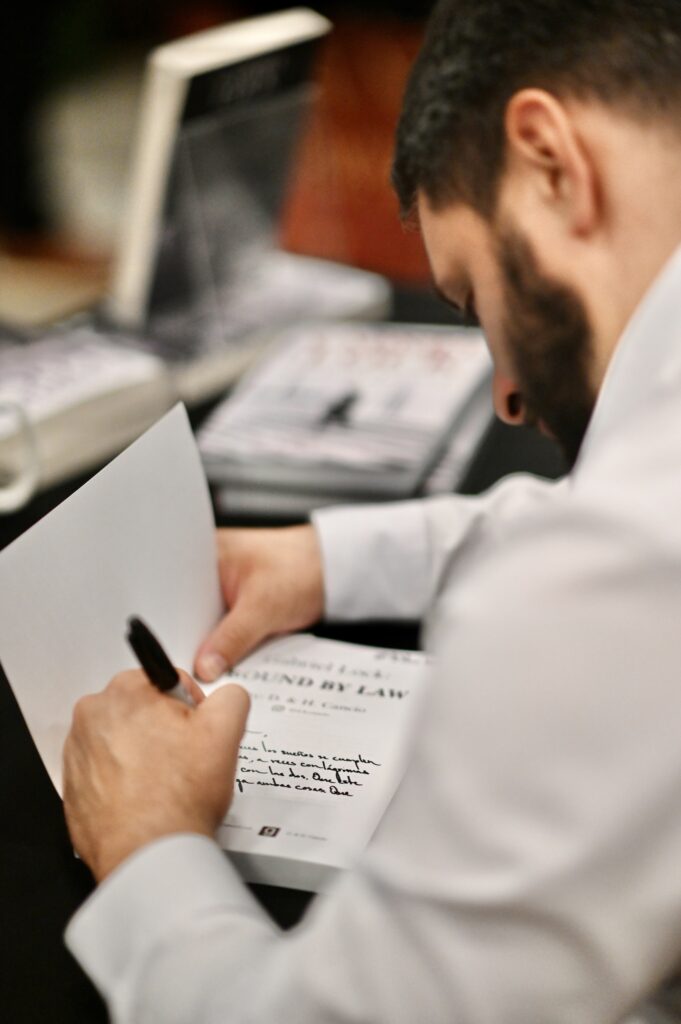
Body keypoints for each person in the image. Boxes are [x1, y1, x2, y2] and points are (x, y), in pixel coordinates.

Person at [61, 1, 681, 1020]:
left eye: (477, 298)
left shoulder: (593, 598)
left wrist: (147, 849)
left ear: (550, 160)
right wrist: (335, 557)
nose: (506, 398)